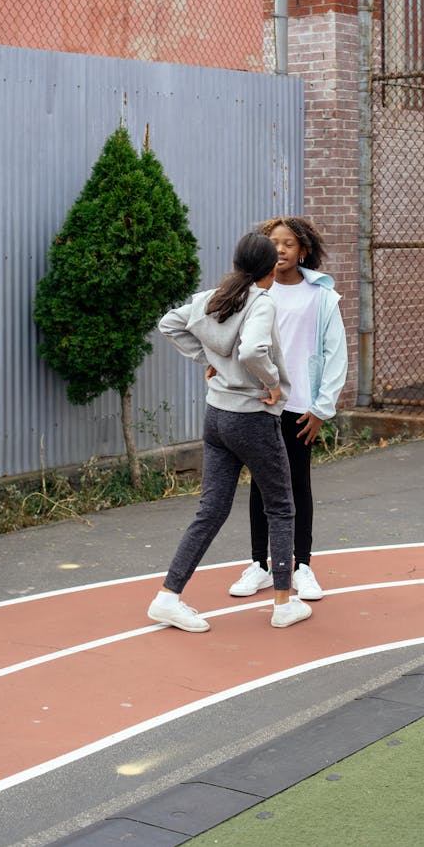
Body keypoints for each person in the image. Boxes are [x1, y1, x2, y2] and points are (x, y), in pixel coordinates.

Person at [147, 232, 312, 632]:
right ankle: (284, 603)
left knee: (211, 510)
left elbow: (169, 323)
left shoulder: (211, 297)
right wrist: (272, 383)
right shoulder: (261, 302)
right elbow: (254, 350)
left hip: (216, 416)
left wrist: (207, 358)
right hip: (252, 418)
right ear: (269, 267)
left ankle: (168, 596)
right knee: (280, 506)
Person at [229, 217, 348, 603]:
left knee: (298, 485)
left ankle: (302, 567)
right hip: (258, 404)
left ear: (304, 250)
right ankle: (259, 566)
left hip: (299, 407)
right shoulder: (250, 291)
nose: (280, 250)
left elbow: (335, 355)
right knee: (260, 486)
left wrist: (321, 408)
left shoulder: (322, 297)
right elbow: (230, 337)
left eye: (289, 244)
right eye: (273, 243)